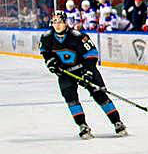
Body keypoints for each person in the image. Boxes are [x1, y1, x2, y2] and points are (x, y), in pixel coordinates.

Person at [39, 11, 126, 139]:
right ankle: (82, 125)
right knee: (70, 98)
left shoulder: (78, 36)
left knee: (100, 94)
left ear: (66, 22)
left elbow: (92, 55)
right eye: (54, 22)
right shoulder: (47, 37)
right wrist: (50, 62)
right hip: (66, 73)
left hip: (84, 69)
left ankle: (117, 122)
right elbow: (46, 52)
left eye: (60, 22)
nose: (57, 25)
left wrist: (88, 72)